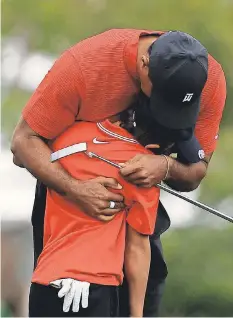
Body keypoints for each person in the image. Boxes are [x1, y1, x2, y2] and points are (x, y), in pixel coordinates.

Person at [11, 29, 226, 316]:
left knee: (147, 283)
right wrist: (76, 189)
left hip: (141, 188)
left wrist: (165, 166)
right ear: (144, 65)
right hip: (64, 189)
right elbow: (22, 143)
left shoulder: (209, 79)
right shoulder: (82, 67)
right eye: (164, 101)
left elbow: (196, 171)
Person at [29, 102, 205, 317]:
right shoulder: (143, 170)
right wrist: (137, 313)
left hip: (44, 281)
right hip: (93, 288)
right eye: (170, 146)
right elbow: (137, 248)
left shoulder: (69, 134)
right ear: (155, 143)